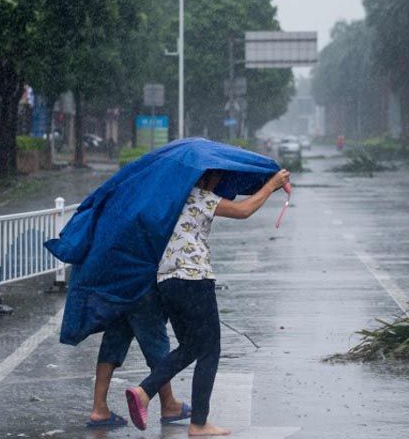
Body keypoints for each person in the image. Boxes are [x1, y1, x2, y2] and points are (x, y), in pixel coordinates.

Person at [125, 168, 290, 436]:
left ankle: (144, 392)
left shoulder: (171, 199)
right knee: (210, 350)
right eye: (217, 178)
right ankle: (199, 423)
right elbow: (244, 210)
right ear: (205, 177)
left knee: (191, 346)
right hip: (194, 279)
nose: (219, 183)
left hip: (167, 280)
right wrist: (272, 185)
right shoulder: (199, 196)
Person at [86, 287, 191, 428]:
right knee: (155, 342)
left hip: (118, 289)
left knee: (112, 342)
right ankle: (169, 404)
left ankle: (99, 408)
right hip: (143, 288)